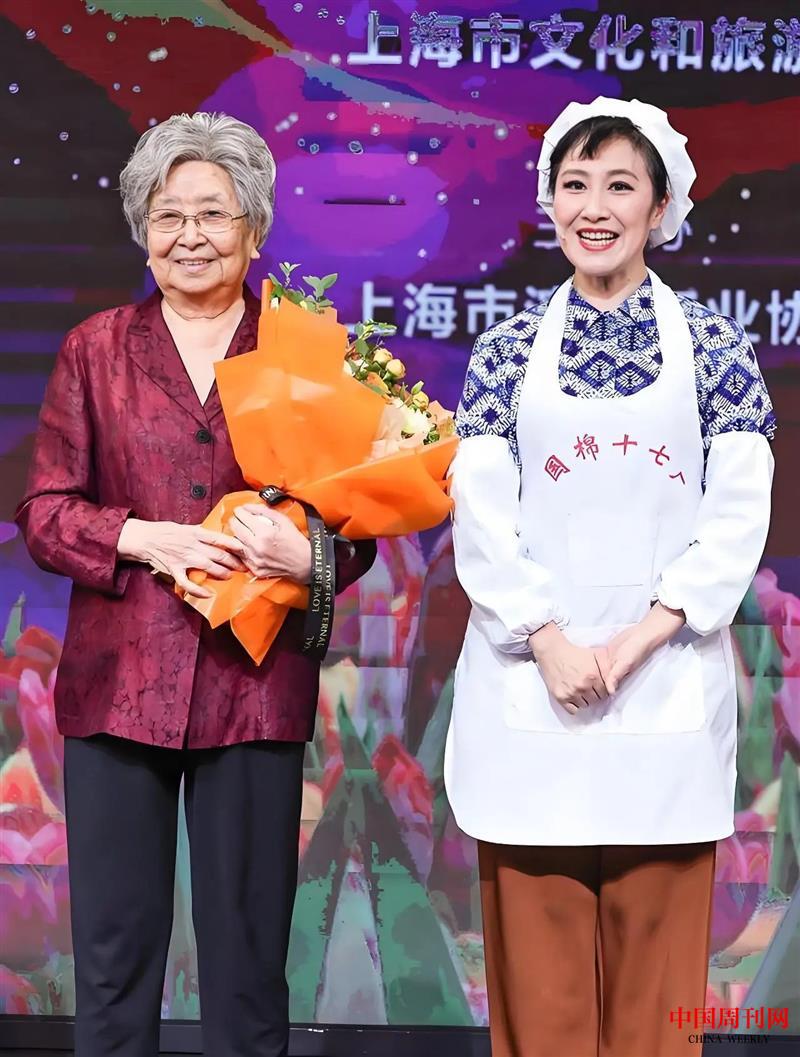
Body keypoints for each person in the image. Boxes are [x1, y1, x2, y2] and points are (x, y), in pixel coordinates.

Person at [15, 111, 376, 1057]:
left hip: (252, 689)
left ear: (255, 231)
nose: (189, 235)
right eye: (167, 215)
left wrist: (307, 556)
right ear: (143, 231)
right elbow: (44, 512)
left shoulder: (304, 353)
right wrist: (143, 538)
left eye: (213, 214)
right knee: (113, 960)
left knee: (249, 968)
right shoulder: (95, 348)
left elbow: (359, 531)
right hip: (117, 686)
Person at [444, 96, 775, 1057]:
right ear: (549, 201)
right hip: (529, 692)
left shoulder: (714, 345)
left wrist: (640, 638)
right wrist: (548, 640)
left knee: (656, 1018)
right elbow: (482, 517)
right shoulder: (505, 350)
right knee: (541, 1011)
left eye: (620, 186)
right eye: (575, 184)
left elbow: (736, 515)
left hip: (665, 688)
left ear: (660, 206)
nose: (594, 207)